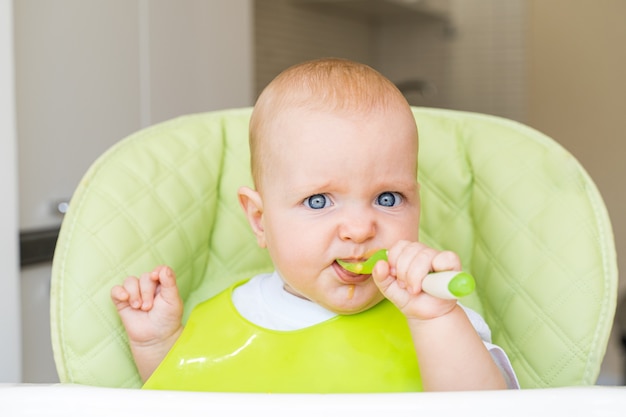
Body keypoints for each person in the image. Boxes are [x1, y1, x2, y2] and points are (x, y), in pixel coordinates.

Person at [111, 58, 519, 392]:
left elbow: (485, 408)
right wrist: (159, 345)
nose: (359, 229)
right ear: (260, 219)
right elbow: (186, 394)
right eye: (319, 201)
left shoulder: (439, 319)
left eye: (388, 198)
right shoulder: (217, 319)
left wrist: (435, 320)